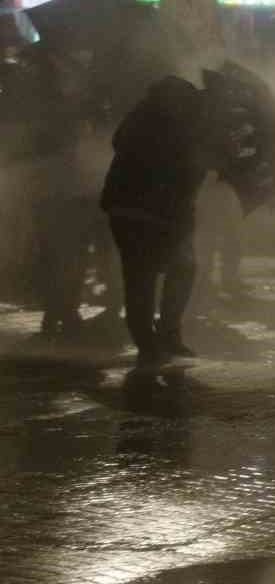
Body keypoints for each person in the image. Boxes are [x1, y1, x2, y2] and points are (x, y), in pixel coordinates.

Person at [99, 76, 217, 373]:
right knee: (155, 273)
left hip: (130, 209)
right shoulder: (174, 129)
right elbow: (184, 173)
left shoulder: (142, 117)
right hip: (151, 212)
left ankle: (156, 340)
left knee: (150, 274)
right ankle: (158, 339)